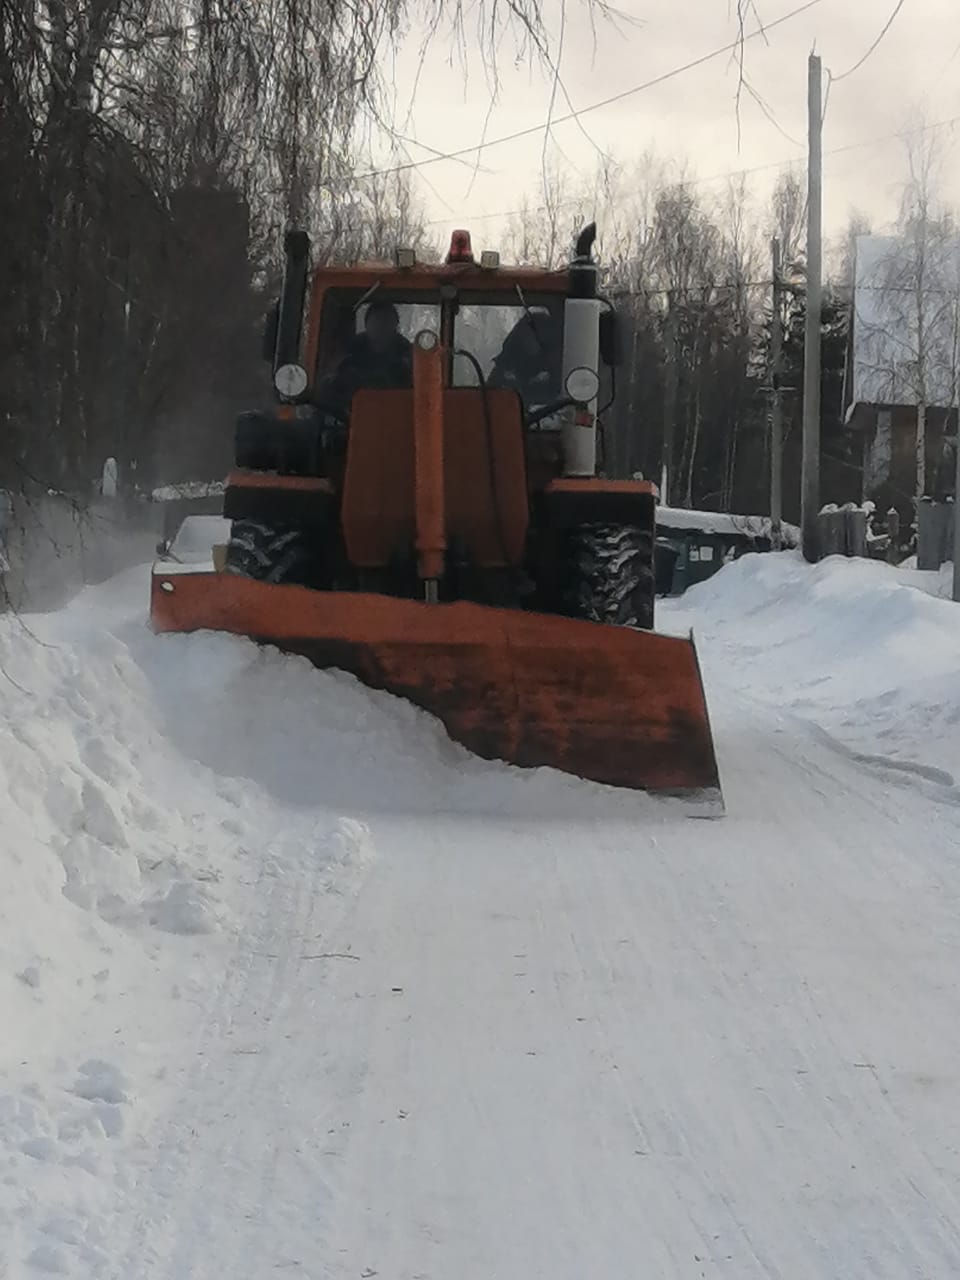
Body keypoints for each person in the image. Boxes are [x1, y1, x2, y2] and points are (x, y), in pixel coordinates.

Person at [327, 300, 413, 407]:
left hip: (396, 410)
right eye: (376, 320)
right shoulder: (350, 350)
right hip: (350, 413)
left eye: (386, 321)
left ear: (395, 325)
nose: (381, 326)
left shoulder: (407, 353)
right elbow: (331, 380)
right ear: (366, 323)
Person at [488, 308, 561, 405]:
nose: (529, 337)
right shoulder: (504, 371)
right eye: (527, 333)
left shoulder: (561, 374)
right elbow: (487, 402)